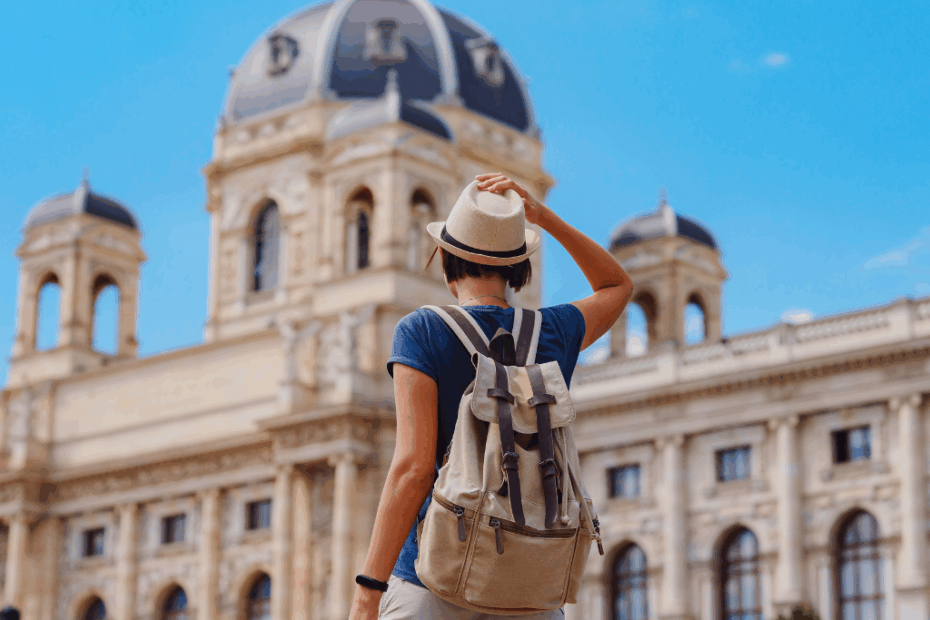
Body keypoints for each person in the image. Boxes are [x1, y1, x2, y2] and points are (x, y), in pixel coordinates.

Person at [348, 173, 634, 620]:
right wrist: (543, 217)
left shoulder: (422, 330)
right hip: (531, 586)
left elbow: (413, 469)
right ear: (520, 267)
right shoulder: (553, 332)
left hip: (431, 578)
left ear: (444, 257)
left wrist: (369, 590)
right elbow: (617, 286)